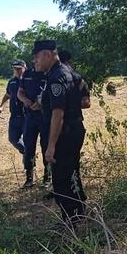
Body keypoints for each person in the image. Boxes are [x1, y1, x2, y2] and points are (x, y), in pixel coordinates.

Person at [33, 39, 87, 227]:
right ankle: (78, 214)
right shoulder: (68, 72)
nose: (35, 62)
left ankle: (71, 219)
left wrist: (51, 145)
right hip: (74, 130)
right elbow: (81, 85)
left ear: (47, 54)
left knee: (62, 177)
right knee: (72, 172)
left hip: (64, 133)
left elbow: (58, 114)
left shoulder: (57, 76)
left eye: (37, 58)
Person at [0, 59, 28, 178]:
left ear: (25, 68)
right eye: (15, 69)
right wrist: (1, 107)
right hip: (14, 116)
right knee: (13, 139)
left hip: (27, 116)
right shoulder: (12, 82)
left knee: (28, 141)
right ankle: (27, 153)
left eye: (19, 68)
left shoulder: (29, 81)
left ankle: (28, 165)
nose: (17, 71)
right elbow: (8, 95)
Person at [17, 57, 48, 188]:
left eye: (38, 59)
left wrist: (41, 104)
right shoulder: (27, 74)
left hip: (44, 117)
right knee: (29, 148)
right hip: (30, 117)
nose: (36, 62)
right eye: (35, 60)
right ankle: (29, 178)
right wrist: (26, 101)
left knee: (46, 147)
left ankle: (48, 178)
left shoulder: (48, 73)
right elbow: (20, 92)